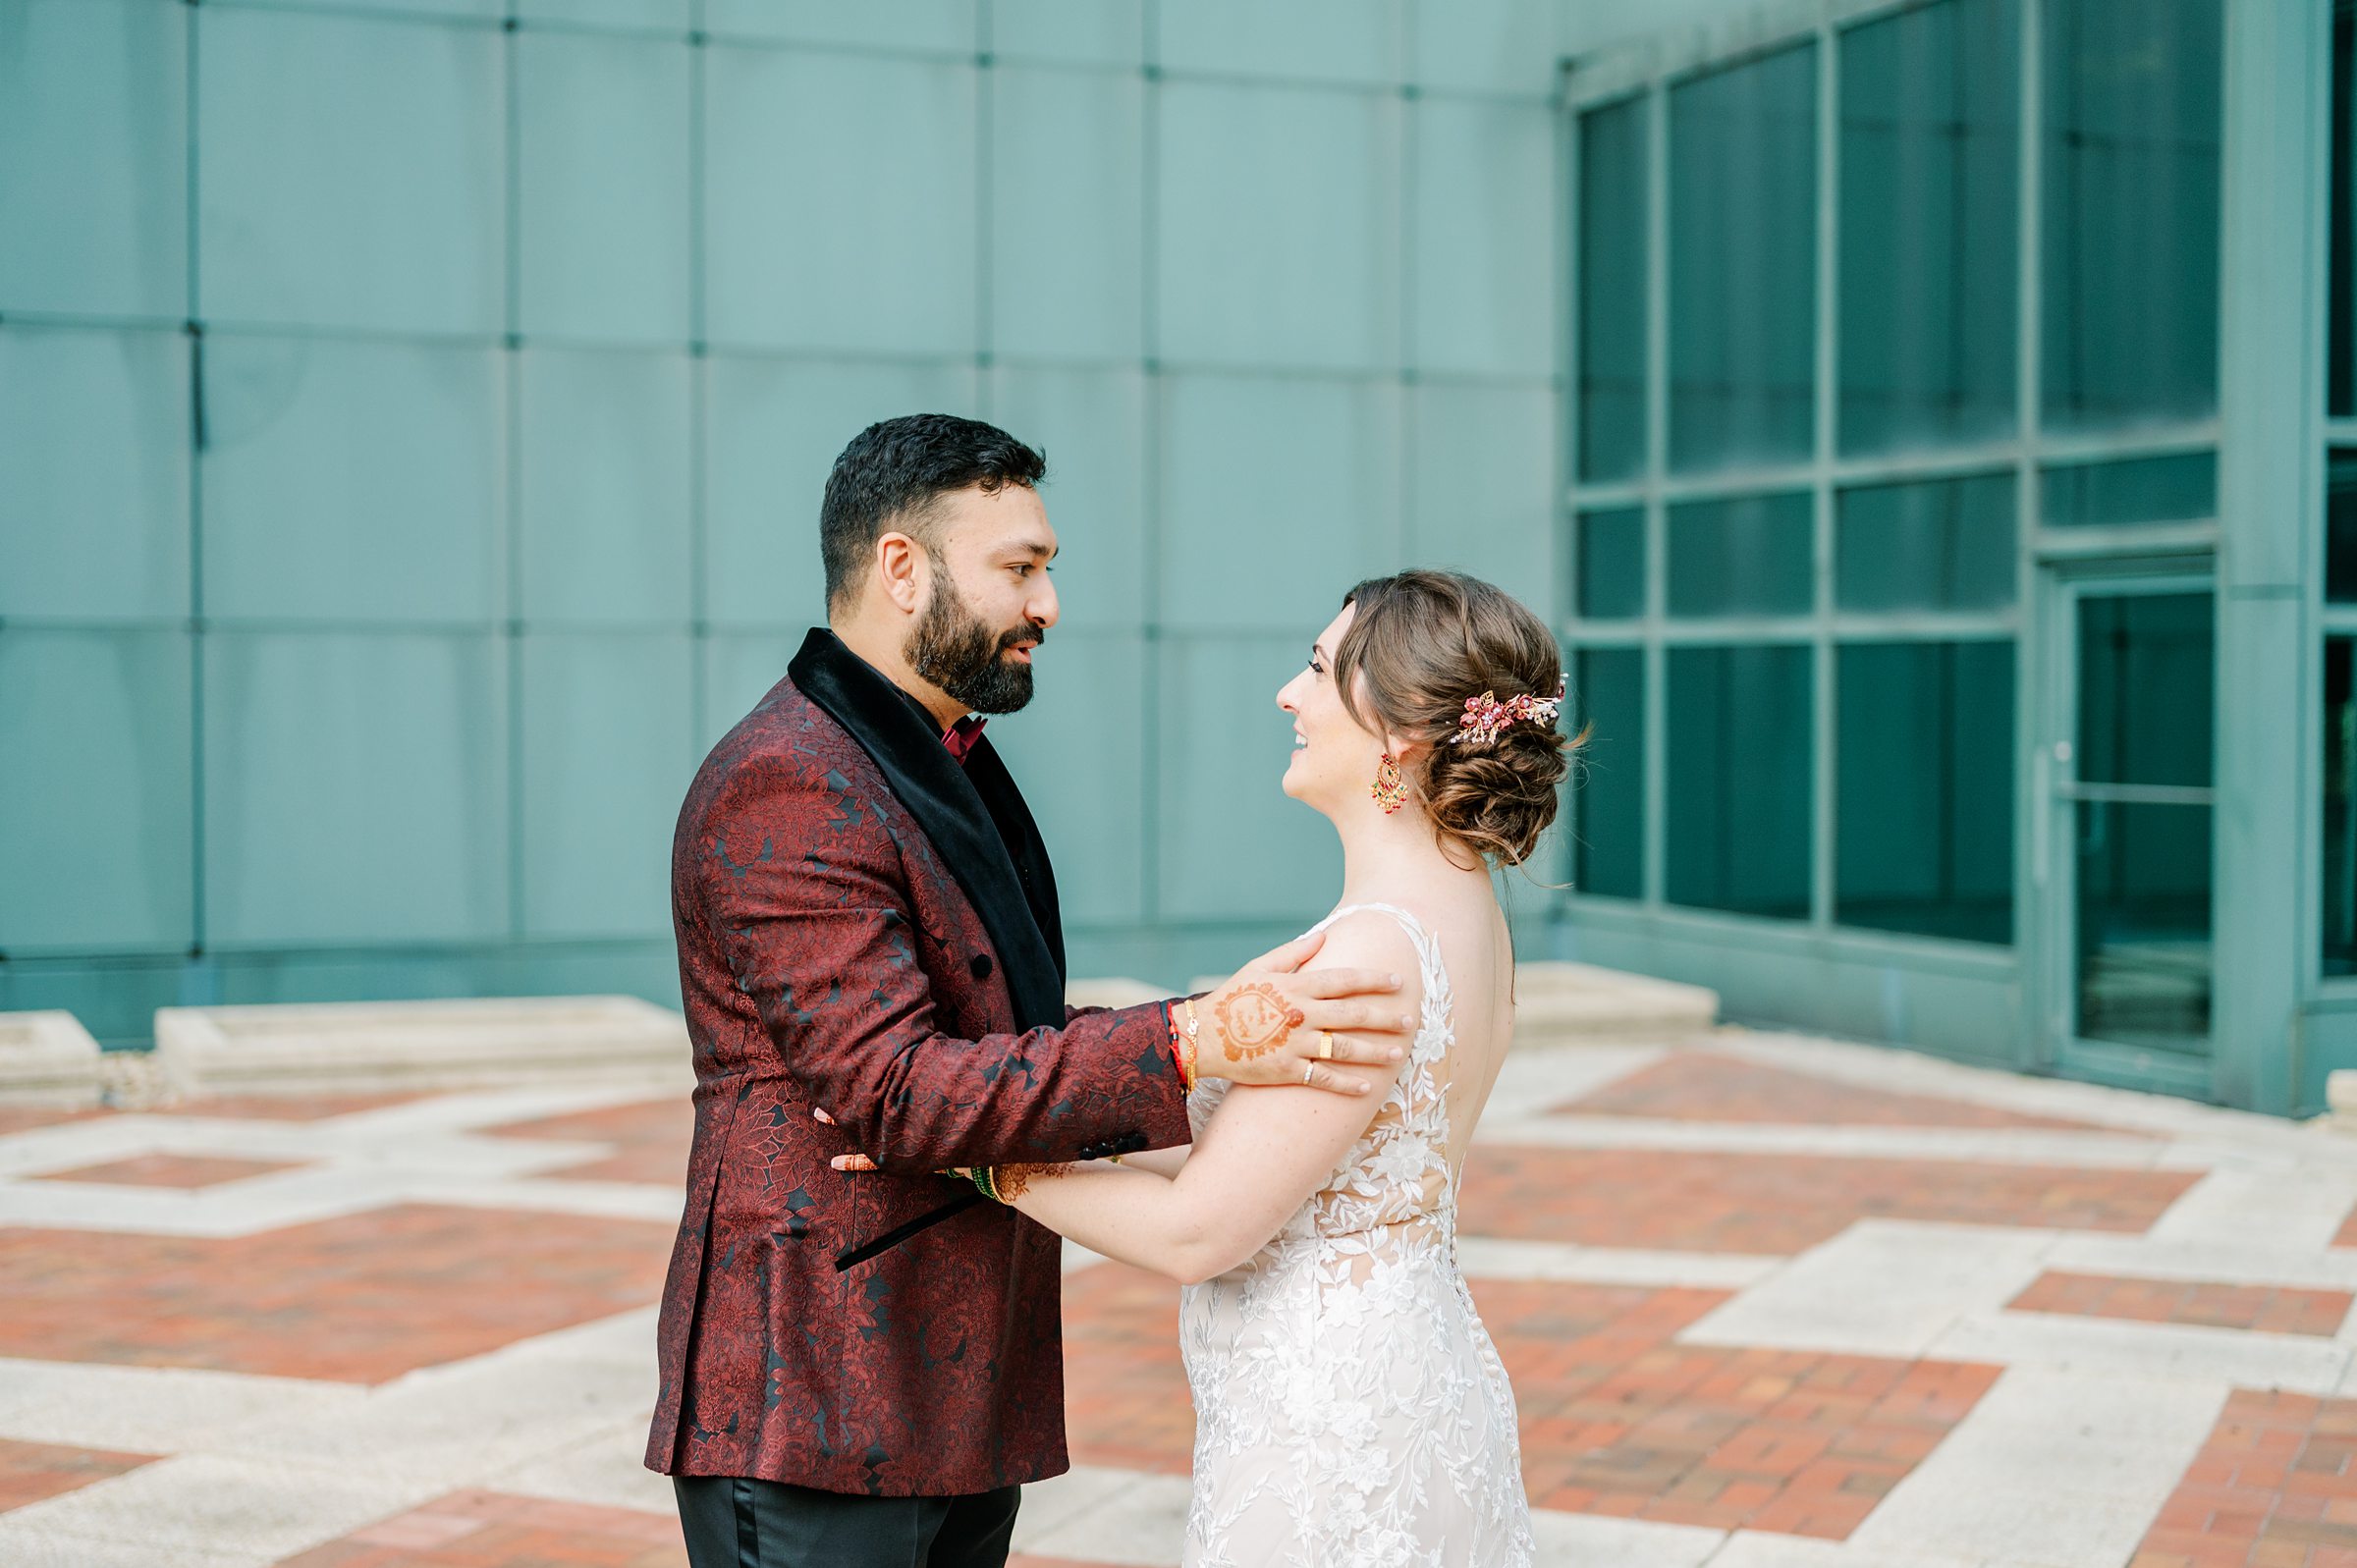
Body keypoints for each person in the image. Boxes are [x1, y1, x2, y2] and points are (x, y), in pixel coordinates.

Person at [645, 413, 1417, 1568]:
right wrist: (1193, 1039)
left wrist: (1193, 1023)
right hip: (814, 1402)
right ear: (903, 569)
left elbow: (1005, 1042)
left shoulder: (940, 754)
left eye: (1046, 567)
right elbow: (897, 1093)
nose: (1048, 604)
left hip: (953, 1401)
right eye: (1021, 568)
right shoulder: (786, 783)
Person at [935, 569, 1568, 1566]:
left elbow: (1202, 1226)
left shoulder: (1371, 953)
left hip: (1332, 1420)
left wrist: (979, 1160)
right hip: (1403, 1376)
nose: (1290, 693)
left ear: (1399, 730)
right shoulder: (1466, 914)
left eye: (1319, 667)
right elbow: (1247, 1149)